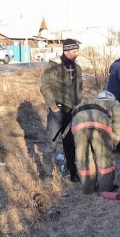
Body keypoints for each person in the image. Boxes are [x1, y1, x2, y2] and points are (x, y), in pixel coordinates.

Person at [40, 38, 83, 183]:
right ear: (66, 51)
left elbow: (79, 87)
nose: (77, 53)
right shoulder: (54, 67)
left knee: (70, 143)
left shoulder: (77, 67)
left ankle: (72, 173)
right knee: (51, 144)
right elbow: (45, 88)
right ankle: (46, 176)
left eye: (77, 50)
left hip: (71, 111)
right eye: (74, 51)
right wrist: (53, 107)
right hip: (57, 110)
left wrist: (77, 104)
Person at [71, 90, 120, 194]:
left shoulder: (89, 101)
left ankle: (88, 189)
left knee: (84, 158)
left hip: (77, 124)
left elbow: (74, 113)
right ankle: (105, 188)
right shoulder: (114, 103)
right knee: (104, 158)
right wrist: (114, 139)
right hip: (99, 124)